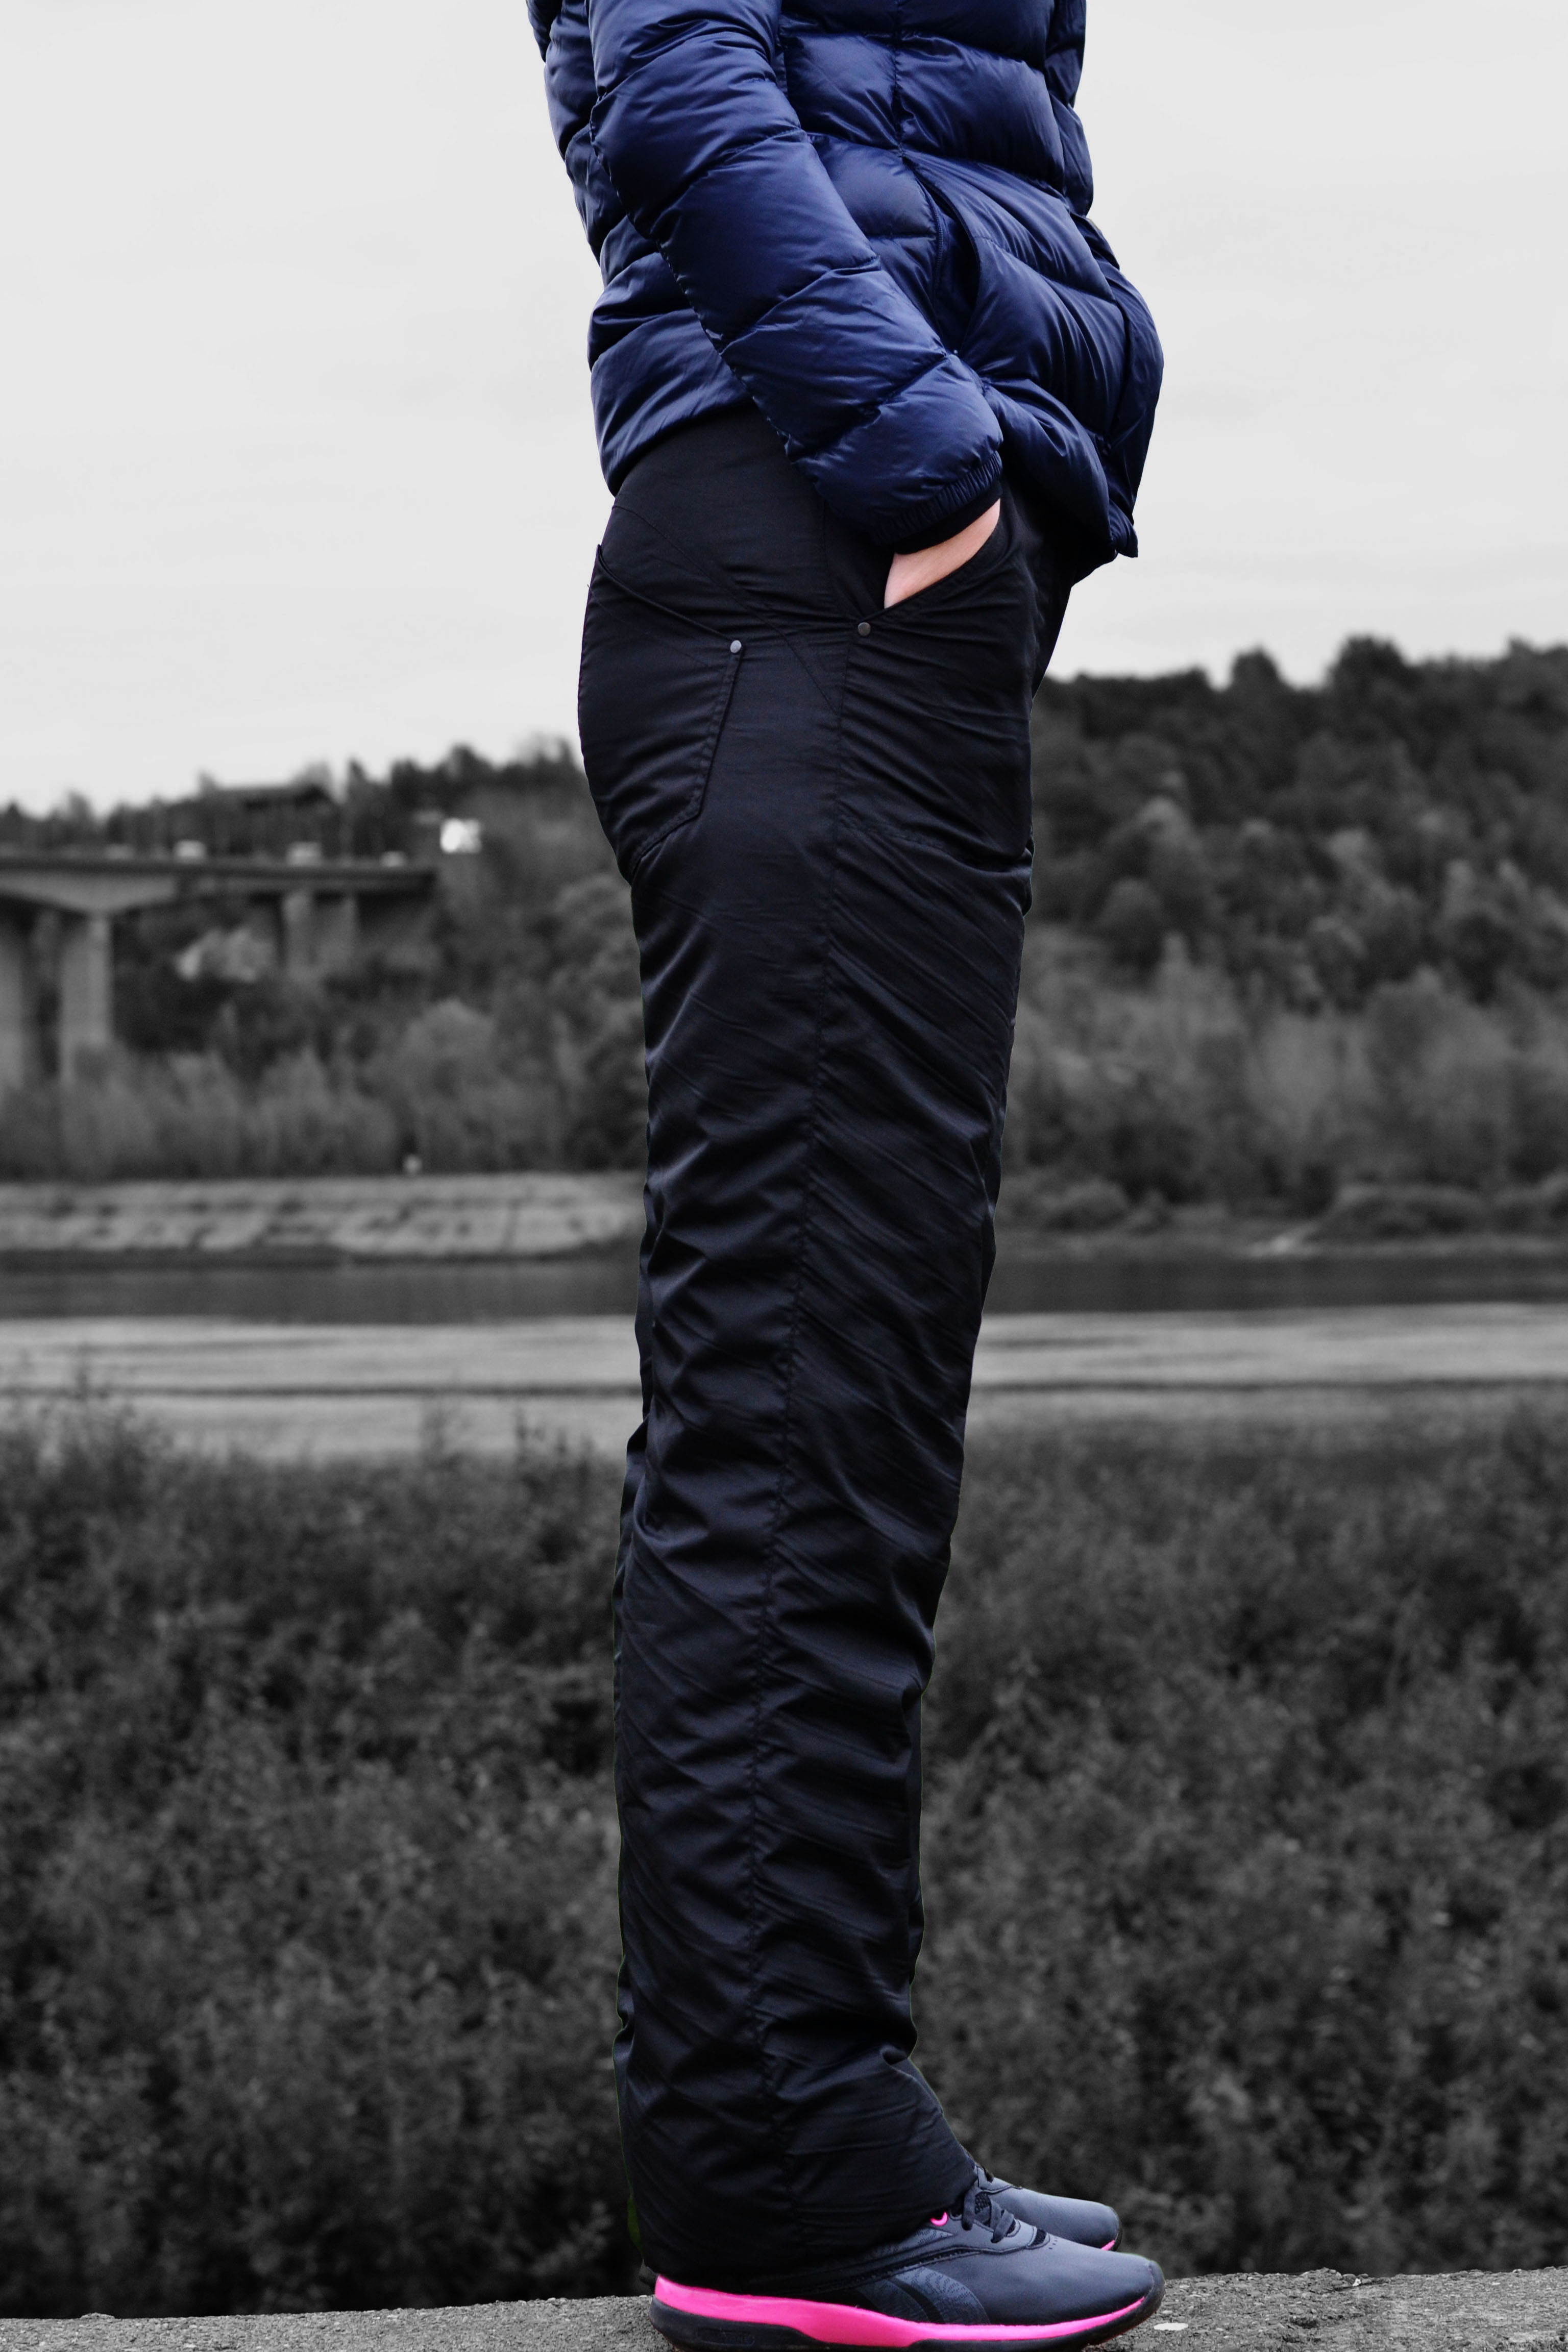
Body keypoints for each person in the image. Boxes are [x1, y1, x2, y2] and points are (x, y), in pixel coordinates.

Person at [527, 0, 1164, 2339]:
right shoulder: (865, 470)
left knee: (845, 1405)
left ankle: (827, 2125)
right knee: (799, 1406)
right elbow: (671, 66)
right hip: (820, 542)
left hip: (845, 563)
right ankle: (786, 2178)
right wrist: (922, 459)